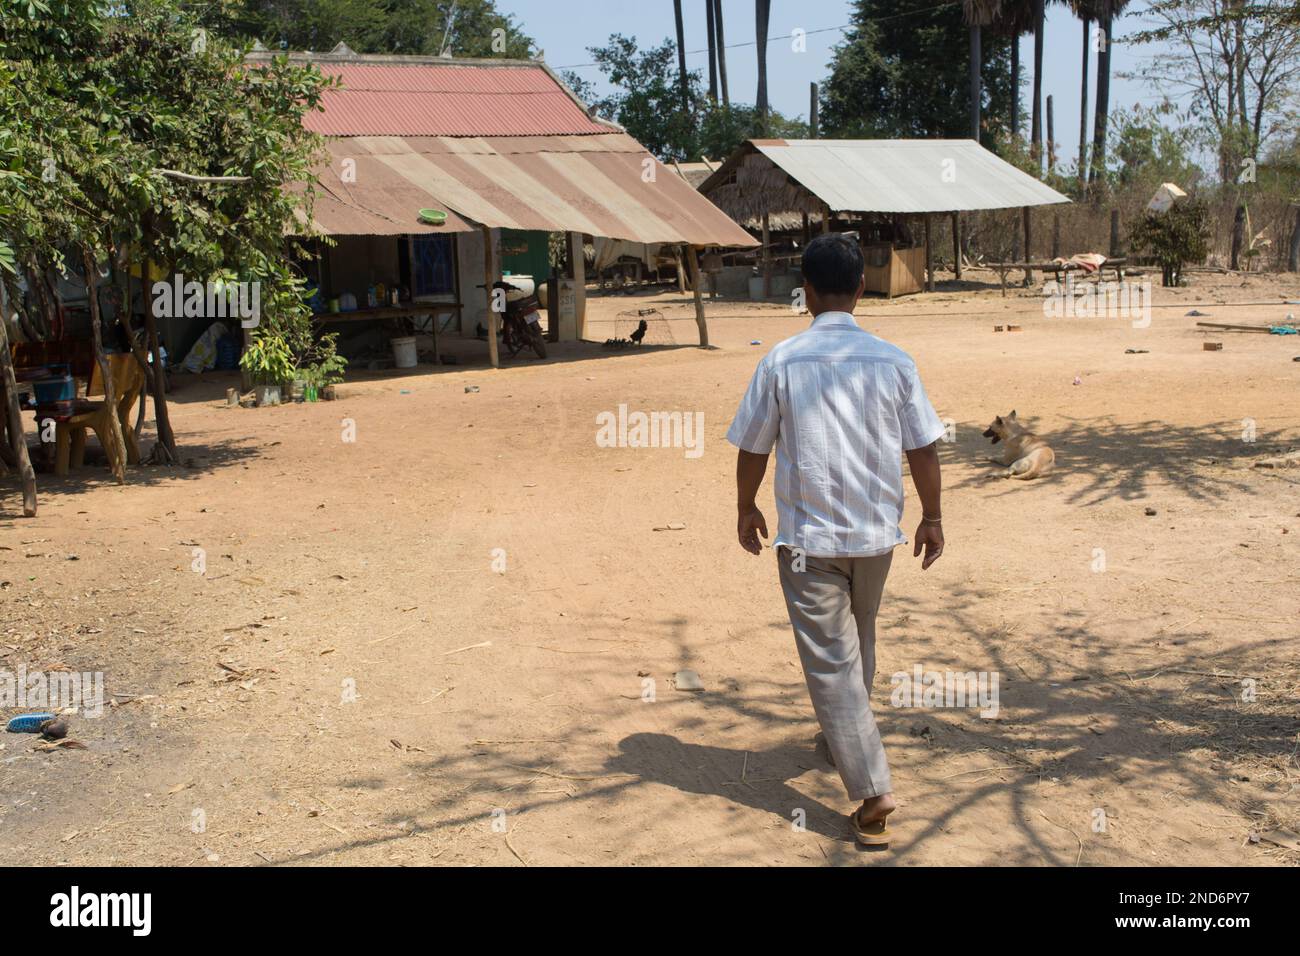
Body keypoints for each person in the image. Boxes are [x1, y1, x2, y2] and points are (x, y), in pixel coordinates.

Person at [725, 233, 946, 847]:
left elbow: (753, 445)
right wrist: (932, 517)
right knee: (859, 635)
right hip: (876, 536)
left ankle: (874, 791)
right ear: (861, 289)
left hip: (808, 538)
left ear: (806, 291)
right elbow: (923, 447)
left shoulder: (782, 360)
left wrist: (745, 507)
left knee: (830, 658)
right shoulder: (894, 361)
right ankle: (841, 739)